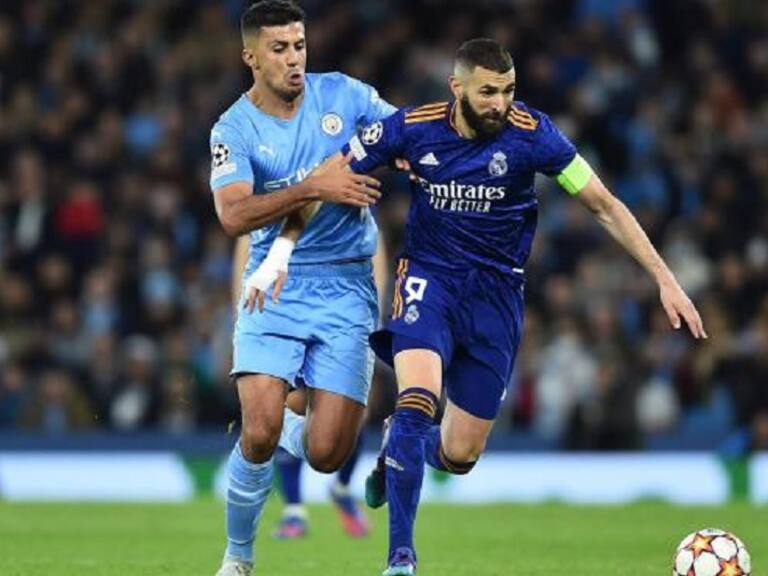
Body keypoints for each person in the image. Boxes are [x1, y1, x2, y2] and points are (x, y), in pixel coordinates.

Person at [251, 38, 707, 576]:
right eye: (488, 91)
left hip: (497, 299)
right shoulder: (411, 128)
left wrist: (664, 278)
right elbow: (324, 178)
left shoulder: (534, 135)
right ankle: (400, 559)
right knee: (417, 399)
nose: (500, 103)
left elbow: (604, 205)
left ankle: (399, 449)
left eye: (508, 90)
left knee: (459, 455)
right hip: (429, 282)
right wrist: (280, 252)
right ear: (457, 88)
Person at [209, 1, 395, 574]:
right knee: (259, 432)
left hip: (347, 285)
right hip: (275, 283)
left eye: (299, 46)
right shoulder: (233, 129)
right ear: (251, 57)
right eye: (279, 49)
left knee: (326, 454)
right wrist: (314, 186)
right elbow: (234, 215)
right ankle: (238, 558)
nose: (294, 59)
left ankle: (298, 432)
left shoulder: (345, 95)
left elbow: (404, 135)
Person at [231, 236, 373, 540]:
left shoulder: (353, 218)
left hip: (341, 313)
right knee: (291, 404)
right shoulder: (264, 214)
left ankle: (341, 487)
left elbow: (376, 260)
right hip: (282, 315)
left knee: (356, 414)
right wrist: (244, 323)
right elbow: (246, 256)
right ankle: (293, 508)